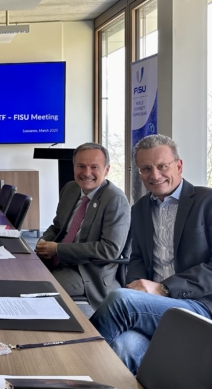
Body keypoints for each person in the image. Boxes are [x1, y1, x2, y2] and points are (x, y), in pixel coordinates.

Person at [91, 134, 212, 374]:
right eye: (146, 169)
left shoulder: (207, 201)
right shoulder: (140, 209)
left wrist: (164, 288)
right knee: (123, 347)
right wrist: (138, 286)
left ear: (179, 166)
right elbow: (136, 258)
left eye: (162, 166)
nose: (155, 175)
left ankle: (70, 364)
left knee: (120, 300)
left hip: (199, 306)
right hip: (152, 307)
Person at [35, 143, 131, 309]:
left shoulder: (115, 200)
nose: (87, 173)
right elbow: (57, 226)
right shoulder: (70, 188)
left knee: (38, 288)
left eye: (94, 167)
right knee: (19, 272)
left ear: (107, 170)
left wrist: (58, 249)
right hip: (58, 259)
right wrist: (43, 242)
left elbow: (109, 250)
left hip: (88, 271)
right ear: (74, 167)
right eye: (81, 166)